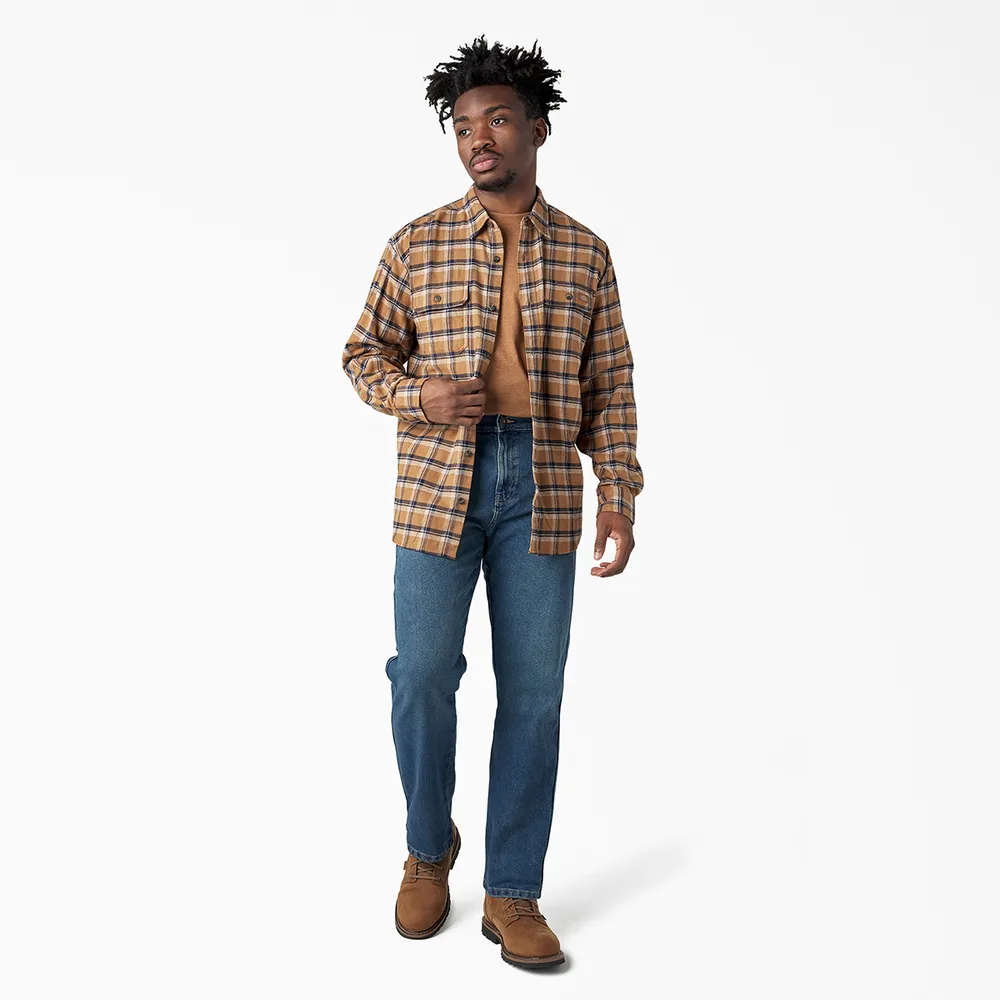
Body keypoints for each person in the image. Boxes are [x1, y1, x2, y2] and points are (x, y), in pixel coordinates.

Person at [342, 34, 643, 970]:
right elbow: (362, 354)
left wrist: (620, 493)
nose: (479, 138)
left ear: (537, 130)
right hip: (438, 482)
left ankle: (512, 890)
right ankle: (427, 849)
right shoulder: (417, 242)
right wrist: (418, 396)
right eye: (465, 125)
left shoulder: (586, 253)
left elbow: (611, 386)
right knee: (422, 675)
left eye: (498, 119)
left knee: (535, 695)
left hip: (542, 485)